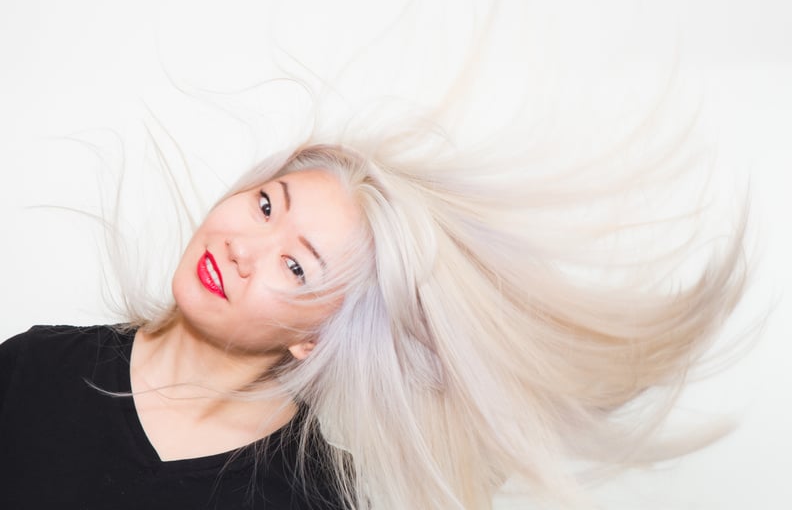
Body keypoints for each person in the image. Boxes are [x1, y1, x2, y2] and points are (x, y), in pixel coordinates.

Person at [0, 130, 748, 509]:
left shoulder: (314, 497)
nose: (242, 247)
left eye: (297, 266)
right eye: (267, 205)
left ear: (317, 336)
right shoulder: (32, 371)